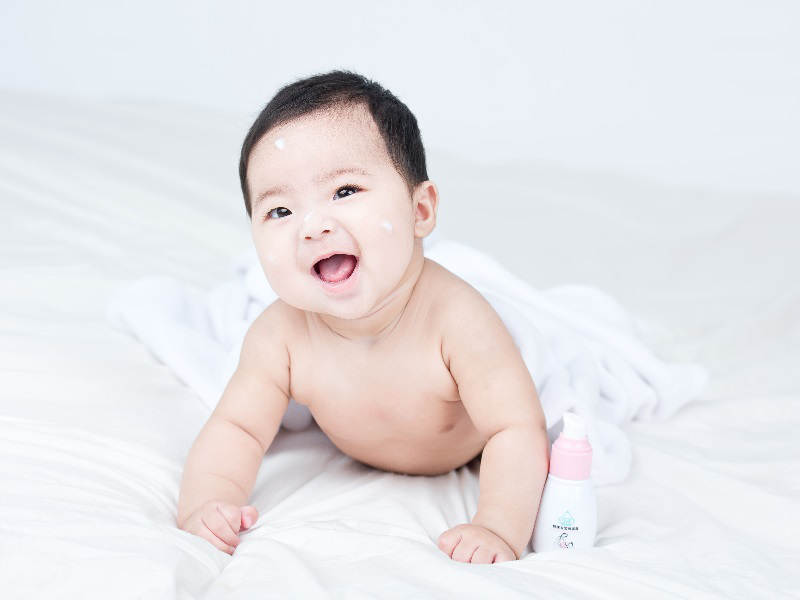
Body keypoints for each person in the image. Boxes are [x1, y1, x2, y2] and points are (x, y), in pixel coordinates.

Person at [176, 70, 549, 564]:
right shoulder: (280, 335)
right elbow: (238, 427)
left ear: (420, 211)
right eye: (280, 211)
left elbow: (514, 428)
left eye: (345, 191)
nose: (313, 227)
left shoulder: (457, 321)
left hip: (464, 449)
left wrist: (498, 527)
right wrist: (206, 502)